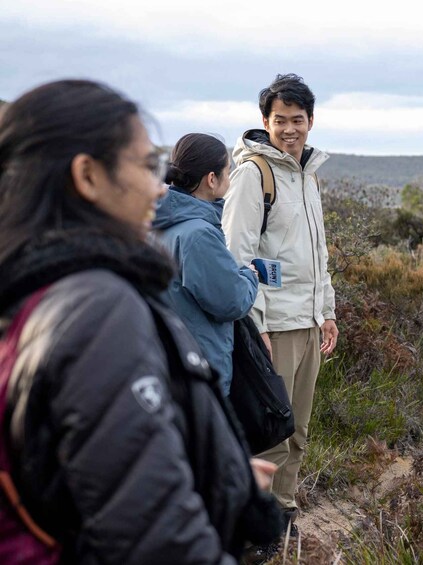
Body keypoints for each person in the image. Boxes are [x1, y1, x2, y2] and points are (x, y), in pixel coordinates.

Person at [0, 79, 282, 563]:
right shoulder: (98, 309)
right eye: (145, 164)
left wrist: (207, 474)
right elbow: (158, 537)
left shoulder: (35, 291)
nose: (158, 185)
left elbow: (91, 476)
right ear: (87, 176)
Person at [222, 73, 338, 537]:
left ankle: (283, 516)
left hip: (309, 322)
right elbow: (238, 255)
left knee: (299, 430)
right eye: (280, 120)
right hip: (274, 326)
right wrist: (257, 326)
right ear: (264, 121)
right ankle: (254, 526)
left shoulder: (308, 174)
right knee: (270, 431)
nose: (289, 129)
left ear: (311, 121)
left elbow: (319, 252)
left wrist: (327, 311)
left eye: (298, 120)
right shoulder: (254, 173)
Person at [153, 133, 259, 395]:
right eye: (227, 171)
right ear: (212, 179)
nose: (230, 177)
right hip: (199, 370)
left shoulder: (158, 223)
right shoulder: (198, 234)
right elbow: (230, 301)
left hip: (165, 362)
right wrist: (249, 276)